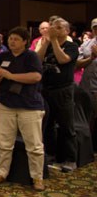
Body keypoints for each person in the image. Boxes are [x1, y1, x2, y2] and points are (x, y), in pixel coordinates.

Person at [0, 27, 45, 191]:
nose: (12, 41)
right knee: (4, 142)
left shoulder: (31, 56)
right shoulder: (3, 56)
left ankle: (37, 177)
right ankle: (1, 173)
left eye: (16, 39)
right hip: (5, 104)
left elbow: (36, 76)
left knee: (34, 145)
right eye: (10, 38)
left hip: (28, 106)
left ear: (25, 41)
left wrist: (10, 76)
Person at [36, 17, 79, 171]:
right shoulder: (48, 44)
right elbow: (38, 60)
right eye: (53, 27)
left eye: (59, 28)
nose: (55, 30)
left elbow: (62, 60)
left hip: (64, 90)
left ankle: (70, 159)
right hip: (46, 89)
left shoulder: (71, 46)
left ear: (67, 31)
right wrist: (46, 43)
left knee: (66, 125)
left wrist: (53, 41)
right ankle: (53, 155)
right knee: (48, 125)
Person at [77, 19, 97, 129]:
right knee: (86, 119)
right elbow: (77, 64)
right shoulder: (86, 45)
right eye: (95, 27)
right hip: (86, 87)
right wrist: (91, 58)